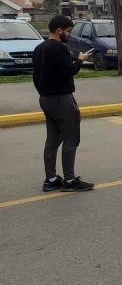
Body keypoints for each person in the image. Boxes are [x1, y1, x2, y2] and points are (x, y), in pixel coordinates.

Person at [33, 15, 94, 192]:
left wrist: (44, 92)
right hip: (61, 98)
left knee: (52, 139)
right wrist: (80, 60)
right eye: (68, 31)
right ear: (59, 30)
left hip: (45, 98)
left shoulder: (39, 48)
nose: (69, 34)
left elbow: (35, 76)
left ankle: (51, 179)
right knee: (71, 137)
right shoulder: (59, 48)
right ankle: (69, 180)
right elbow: (68, 71)